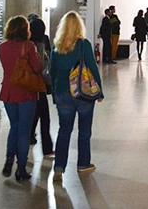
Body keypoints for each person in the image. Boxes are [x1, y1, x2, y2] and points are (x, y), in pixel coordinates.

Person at [50, 11, 103, 183]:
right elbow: (93, 68)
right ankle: (83, 164)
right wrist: (99, 91)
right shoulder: (83, 44)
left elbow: (53, 72)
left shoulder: (56, 47)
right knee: (84, 131)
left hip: (63, 93)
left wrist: (54, 95)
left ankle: (59, 167)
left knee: (64, 130)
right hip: (82, 92)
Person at [0, 15, 43, 182]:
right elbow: (38, 67)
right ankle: (21, 168)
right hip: (26, 92)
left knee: (14, 127)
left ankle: (9, 159)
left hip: (8, 92)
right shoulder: (29, 46)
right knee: (24, 131)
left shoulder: (2, 47)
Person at [28, 15, 54, 158]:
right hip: (38, 86)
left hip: (26, 86)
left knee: (34, 114)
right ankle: (47, 148)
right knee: (44, 116)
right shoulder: (38, 45)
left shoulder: (25, 43)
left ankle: (29, 138)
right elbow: (42, 68)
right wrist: (50, 83)